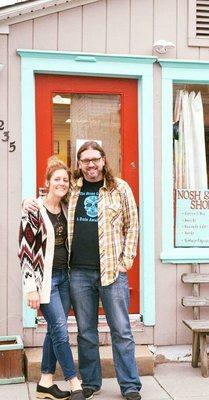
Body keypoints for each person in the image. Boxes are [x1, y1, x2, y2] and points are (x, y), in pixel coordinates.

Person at [24, 141, 141, 400]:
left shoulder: (119, 188)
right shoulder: (72, 188)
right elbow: (49, 196)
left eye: (95, 159)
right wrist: (27, 201)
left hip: (112, 270)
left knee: (121, 329)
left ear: (103, 160)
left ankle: (130, 385)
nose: (91, 164)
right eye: (85, 160)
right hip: (78, 272)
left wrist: (126, 260)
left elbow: (133, 225)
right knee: (86, 331)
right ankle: (90, 381)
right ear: (79, 164)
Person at [19, 157, 85, 400]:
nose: (62, 183)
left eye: (65, 180)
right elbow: (25, 251)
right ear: (47, 183)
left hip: (64, 278)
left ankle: (45, 382)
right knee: (59, 329)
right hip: (44, 281)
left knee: (53, 331)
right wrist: (31, 288)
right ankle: (73, 381)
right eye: (56, 179)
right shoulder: (33, 210)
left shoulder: (67, 207)